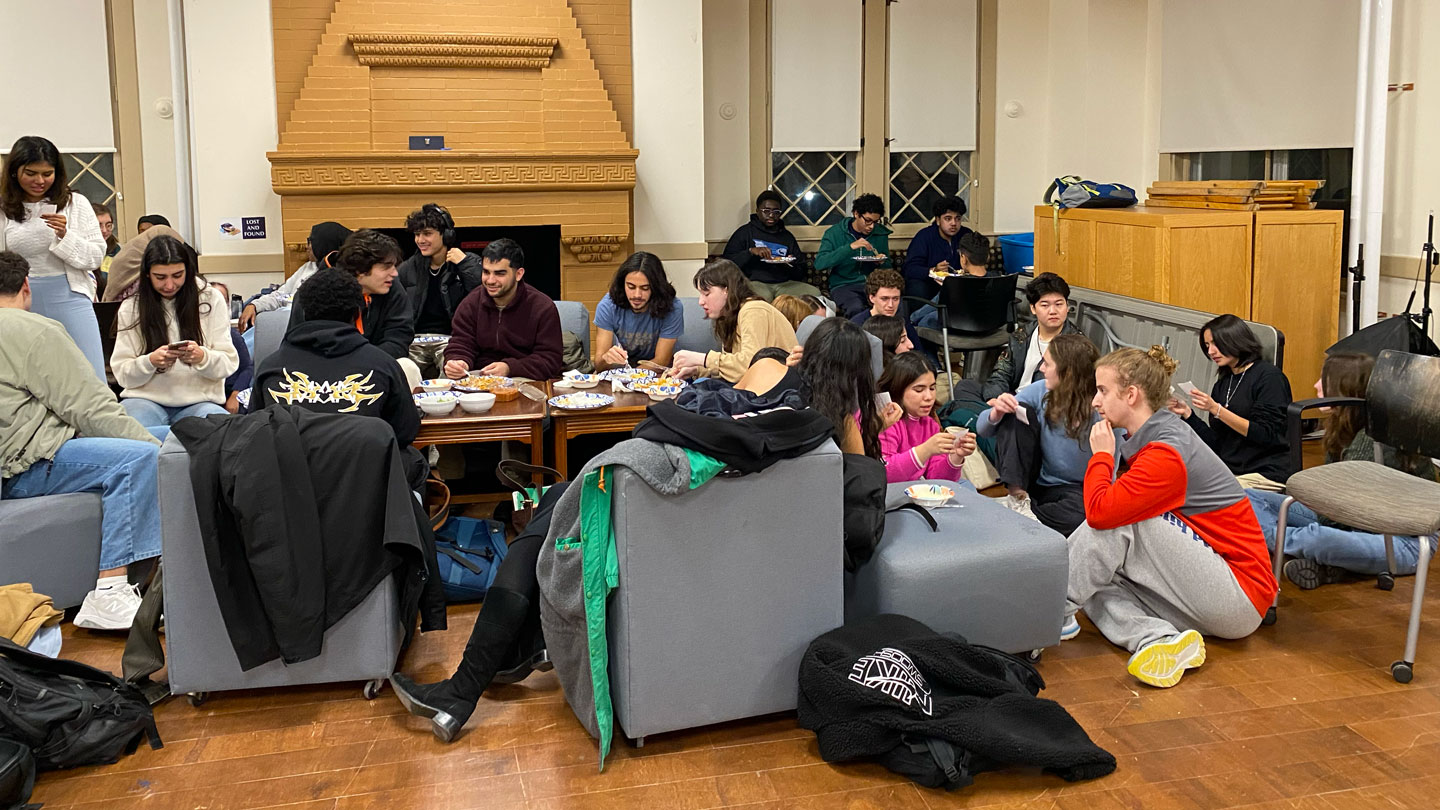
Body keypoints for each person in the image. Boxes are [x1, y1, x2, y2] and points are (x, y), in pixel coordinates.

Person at [1065, 345, 1275, 688]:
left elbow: (1101, 514)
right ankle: (1157, 639)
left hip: (1239, 595)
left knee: (1119, 523)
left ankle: (1046, 613)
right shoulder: (1154, 436)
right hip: (1209, 588)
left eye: (1102, 391)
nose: (1095, 402)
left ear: (1131, 395)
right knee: (1095, 578)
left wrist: (1102, 456)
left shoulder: (1167, 451)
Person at [0, 251, 162, 630]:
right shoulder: (34, 330)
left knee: (167, 438)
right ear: (26, 287)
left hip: (24, 454)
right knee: (142, 458)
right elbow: (91, 409)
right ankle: (110, 591)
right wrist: (159, 454)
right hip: (26, 465)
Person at [1247, 352, 1439, 590]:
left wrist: (1313, 525)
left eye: (1324, 379)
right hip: (1350, 521)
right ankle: (1325, 560)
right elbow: (1332, 509)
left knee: (1316, 537)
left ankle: (1282, 543)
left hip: (1401, 542)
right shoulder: (1342, 426)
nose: (1316, 385)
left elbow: (1342, 512)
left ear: (1344, 387)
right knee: (1250, 497)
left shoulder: (1370, 441)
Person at [252, 268, 426, 489]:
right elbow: (406, 431)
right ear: (357, 313)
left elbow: (255, 434)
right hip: (366, 491)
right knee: (413, 460)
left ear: (302, 312)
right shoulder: (383, 365)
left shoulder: (270, 369)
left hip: (290, 493)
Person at [977, 334, 1118, 534]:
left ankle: (1016, 517)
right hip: (1034, 480)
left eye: (1047, 364)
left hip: (1075, 490)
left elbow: (1109, 479)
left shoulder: (1103, 408)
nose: (1041, 369)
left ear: (1067, 373)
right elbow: (982, 429)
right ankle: (1017, 500)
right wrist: (996, 412)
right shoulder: (1040, 390)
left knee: (1084, 516)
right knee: (1015, 412)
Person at [1, 135, 107, 379]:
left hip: (70, 295)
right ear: (15, 172)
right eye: (31, 173)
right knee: (33, 377)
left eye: (47, 174)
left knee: (89, 373)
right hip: (19, 299)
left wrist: (65, 235)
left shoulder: (75, 203)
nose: (40, 181)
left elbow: (95, 257)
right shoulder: (4, 208)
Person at [110, 235, 238, 432]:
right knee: (131, 431)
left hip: (201, 402)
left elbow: (228, 364)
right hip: (144, 401)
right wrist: (150, 362)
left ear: (188, 270)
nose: (169, 285)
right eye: (160, 277)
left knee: (218, 431)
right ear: (147, 275)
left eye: (177, 275)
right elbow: (123, 376)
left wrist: (202, 357)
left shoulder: (211, 299)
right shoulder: (132, 307)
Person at [1168, 314, 1292, 491]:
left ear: (1235, 340)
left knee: (1200, 494)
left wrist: (1217, 410)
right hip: (1230, 470)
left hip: (1264, 472)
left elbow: (1266, 434)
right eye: (1207, 346)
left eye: (1215, 344)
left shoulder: (1269, 377)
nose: (1211, 352)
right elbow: (1219, 444)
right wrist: (1188, 414)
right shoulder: (1222, 384)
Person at [289, 229, 420, 390]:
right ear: (360, 270)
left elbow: (399, 339)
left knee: (407, 367)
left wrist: (363, 362)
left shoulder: (390, 286)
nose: (394, 273)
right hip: (322, 374)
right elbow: (299, 346)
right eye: (386, 267)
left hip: (375, 366)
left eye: (394, 266)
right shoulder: (316, 291)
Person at [443, 238, 562, 381]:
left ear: (518, 274)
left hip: (522, 378)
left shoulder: (542, 307)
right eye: (486, 272)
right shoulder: (471, 303)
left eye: (499, 273)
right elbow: (461, 343)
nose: (490, 280)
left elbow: (550, 360)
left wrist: (509, 368)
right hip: (479, 377)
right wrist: (459, 361)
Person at [668, 259, 797, 384]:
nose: (701, 301)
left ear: (727, 290)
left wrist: (703, 359)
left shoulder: (754, 310)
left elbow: (749, 367)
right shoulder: (730, 315)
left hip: (776, 388)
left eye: (706, 294)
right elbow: (734, 369)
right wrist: (697, 370)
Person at [397, 204, 482, 378]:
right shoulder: (407, 268)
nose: (420, 240)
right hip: (414, 339)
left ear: (446, 235)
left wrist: (465, 265)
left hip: (452, 339)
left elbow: (483, 293)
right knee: (401, 371)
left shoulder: (466, 263)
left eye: (427, 233)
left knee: (453, 370)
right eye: (417, 234)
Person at [877, 351, 976, 483]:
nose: (929, 397)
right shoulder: (887, 421)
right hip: (888, 492)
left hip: (917, 489)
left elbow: (937, 479)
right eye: (919, 390)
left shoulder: (930, 425)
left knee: (965, 486)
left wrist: (956, 456)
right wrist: (926, 449)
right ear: (898, 389)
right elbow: (884, 474)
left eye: (932, 388)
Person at [238, 221, 351, 332]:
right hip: (282, 321)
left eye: (311, 242)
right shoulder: (307, 267)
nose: (307, 247)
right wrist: (254, 305)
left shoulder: (339, 277)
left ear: (323, 245)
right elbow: (280, 296)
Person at [982, 271, 1078, 402]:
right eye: (1045, 305)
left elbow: (1070, 393)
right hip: (1012, 399)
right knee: (965, 386)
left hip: (1041, 404)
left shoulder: (1075, 344)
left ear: (1067, 306)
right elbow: (1001, 373)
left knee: (967, 406)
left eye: (1059, 304)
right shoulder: (1022, 335)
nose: (1053, 311)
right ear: (1033, 308)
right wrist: (995, 399)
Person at [721, 189, 821, 301]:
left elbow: (801, 271)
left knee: (815, 293)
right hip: (755, 282)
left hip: (784, 284)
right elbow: (726, 263)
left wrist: (788, 265)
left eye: (776, 211)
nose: (771, 215)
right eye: (766, 211)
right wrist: (750, 252)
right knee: (763, 298)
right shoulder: (745, 232)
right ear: (757, 211)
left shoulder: (787, 237)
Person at [592, 251, 683, 370]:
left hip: (655, 372)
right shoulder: (608, 305)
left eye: (645, 288)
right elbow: (599, 364)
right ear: (622, 285)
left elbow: (662, 361)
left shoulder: (672, 306)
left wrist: (633, 376)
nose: (637, 295)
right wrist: (606, 359)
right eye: (631, 287)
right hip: (619, 371)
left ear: (656, 288)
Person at [815, 194, 891, 318]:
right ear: (856, 214)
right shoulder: (834, 233)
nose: (871, 226)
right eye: (868, 220)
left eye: (875, 222)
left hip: (873, 285)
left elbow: (888, 268)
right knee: (856, 308)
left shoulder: (880, 233)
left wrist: (881, 262)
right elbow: (820, 263)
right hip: (843, 285)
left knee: (894, 305)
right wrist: (850, 247)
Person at [902, 195, 973, 300]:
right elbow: (910, 269)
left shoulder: (966, 235)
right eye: (948, 218)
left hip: (960, 284)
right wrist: (933, 270)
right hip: (931, 286)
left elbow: (977, 260)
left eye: (957, 218)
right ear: (938, 220)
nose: (954, 223)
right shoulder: (924, 236)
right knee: (916, 288)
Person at [208, 280, 253, 414]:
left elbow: (248, 368)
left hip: (229, 392)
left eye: (222, 300)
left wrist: (236, 394)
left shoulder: (231, 335)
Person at [850, 267, 920, 350]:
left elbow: (919, 352)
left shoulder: (903, 322)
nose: (890, 305)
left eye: (895, 299)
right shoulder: (857, 326)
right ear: (872, 298)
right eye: (884, 299)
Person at [93, 202, 119, 301]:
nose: (104, 230)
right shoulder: (80, 250)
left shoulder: (117, 251)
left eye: (108, 225)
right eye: (98, 225)